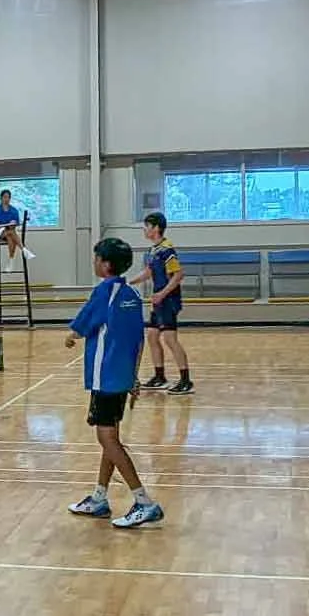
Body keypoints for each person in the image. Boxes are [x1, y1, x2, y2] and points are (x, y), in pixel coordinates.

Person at [65, 238, 163, 530]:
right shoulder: (132, 295)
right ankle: (99, 498)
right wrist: (134, 376)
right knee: (111, 437)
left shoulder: (104, 292)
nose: (94, 263)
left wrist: (71, 336)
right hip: (121, 376)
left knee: (107, 439)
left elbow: (83, 325)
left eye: (96, 259)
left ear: (105, 264)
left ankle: (144, 501)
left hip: (105, 377)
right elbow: (139, 339)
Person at [132, 211, 192, 394]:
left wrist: (163, 294)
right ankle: (160, 376)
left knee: (169, 339)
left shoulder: (167, 250)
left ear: (156, 228)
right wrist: (128, 283)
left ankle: (186, 381)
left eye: (147, 226)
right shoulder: (153, 250)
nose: (144, 230)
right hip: (158, 301)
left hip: (168, 301)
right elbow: (149, 272)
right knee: (151, 336)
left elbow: (178, 275)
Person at [0, 190, 34, 267]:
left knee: (10, 236)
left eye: (8, 197)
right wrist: (4, 225)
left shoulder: (14, 210)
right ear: (1, 198)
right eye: (5, 197)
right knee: (11, 233)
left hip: (9, 232)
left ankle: (11, 261)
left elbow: (16, 224)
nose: (6, 199)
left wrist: (13, 224)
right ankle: (24, 249)